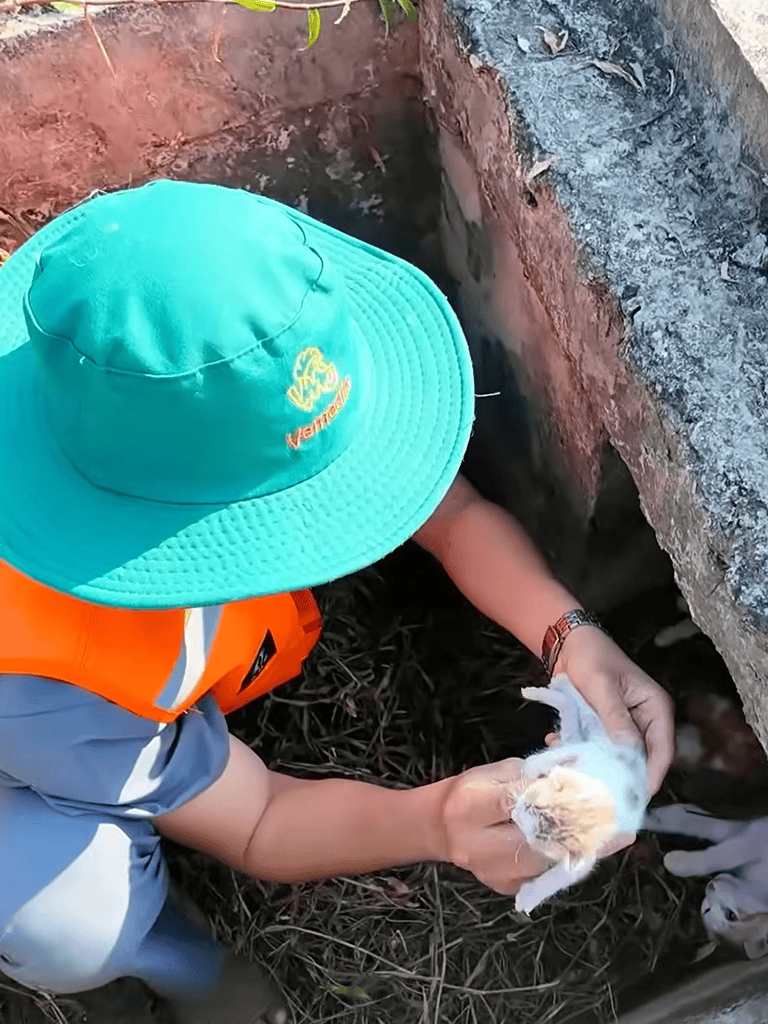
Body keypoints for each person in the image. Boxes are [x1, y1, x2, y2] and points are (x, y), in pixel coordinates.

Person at [0, 179, 674, 1024]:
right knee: (68, 923)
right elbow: (258, 819)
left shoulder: (151, 379)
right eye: (288, 508)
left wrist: (570, 636)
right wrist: (437, 821)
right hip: (34, 745)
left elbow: (453, 519)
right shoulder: (35, 669)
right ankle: (179, 965)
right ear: (159, 534)